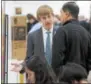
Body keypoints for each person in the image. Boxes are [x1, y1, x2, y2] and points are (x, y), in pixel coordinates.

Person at [11, 5, 59, 76]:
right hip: (40, 77)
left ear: (53, 16)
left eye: (49, 16)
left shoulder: (61, 33)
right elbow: (29, 58)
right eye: (44, 18)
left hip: (59, 76)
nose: (47, 20)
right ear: (39, 20)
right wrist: (22, 66)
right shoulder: (32, 36)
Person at [52, 2, 91, 76]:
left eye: (61, 13)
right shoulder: (86, 33)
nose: (60, 16)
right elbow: (89, 59)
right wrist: (84, 74)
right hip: (82, 78)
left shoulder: (62, 31)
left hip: (65, 78)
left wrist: (59, 75)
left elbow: (56, 60)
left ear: (67, 14)